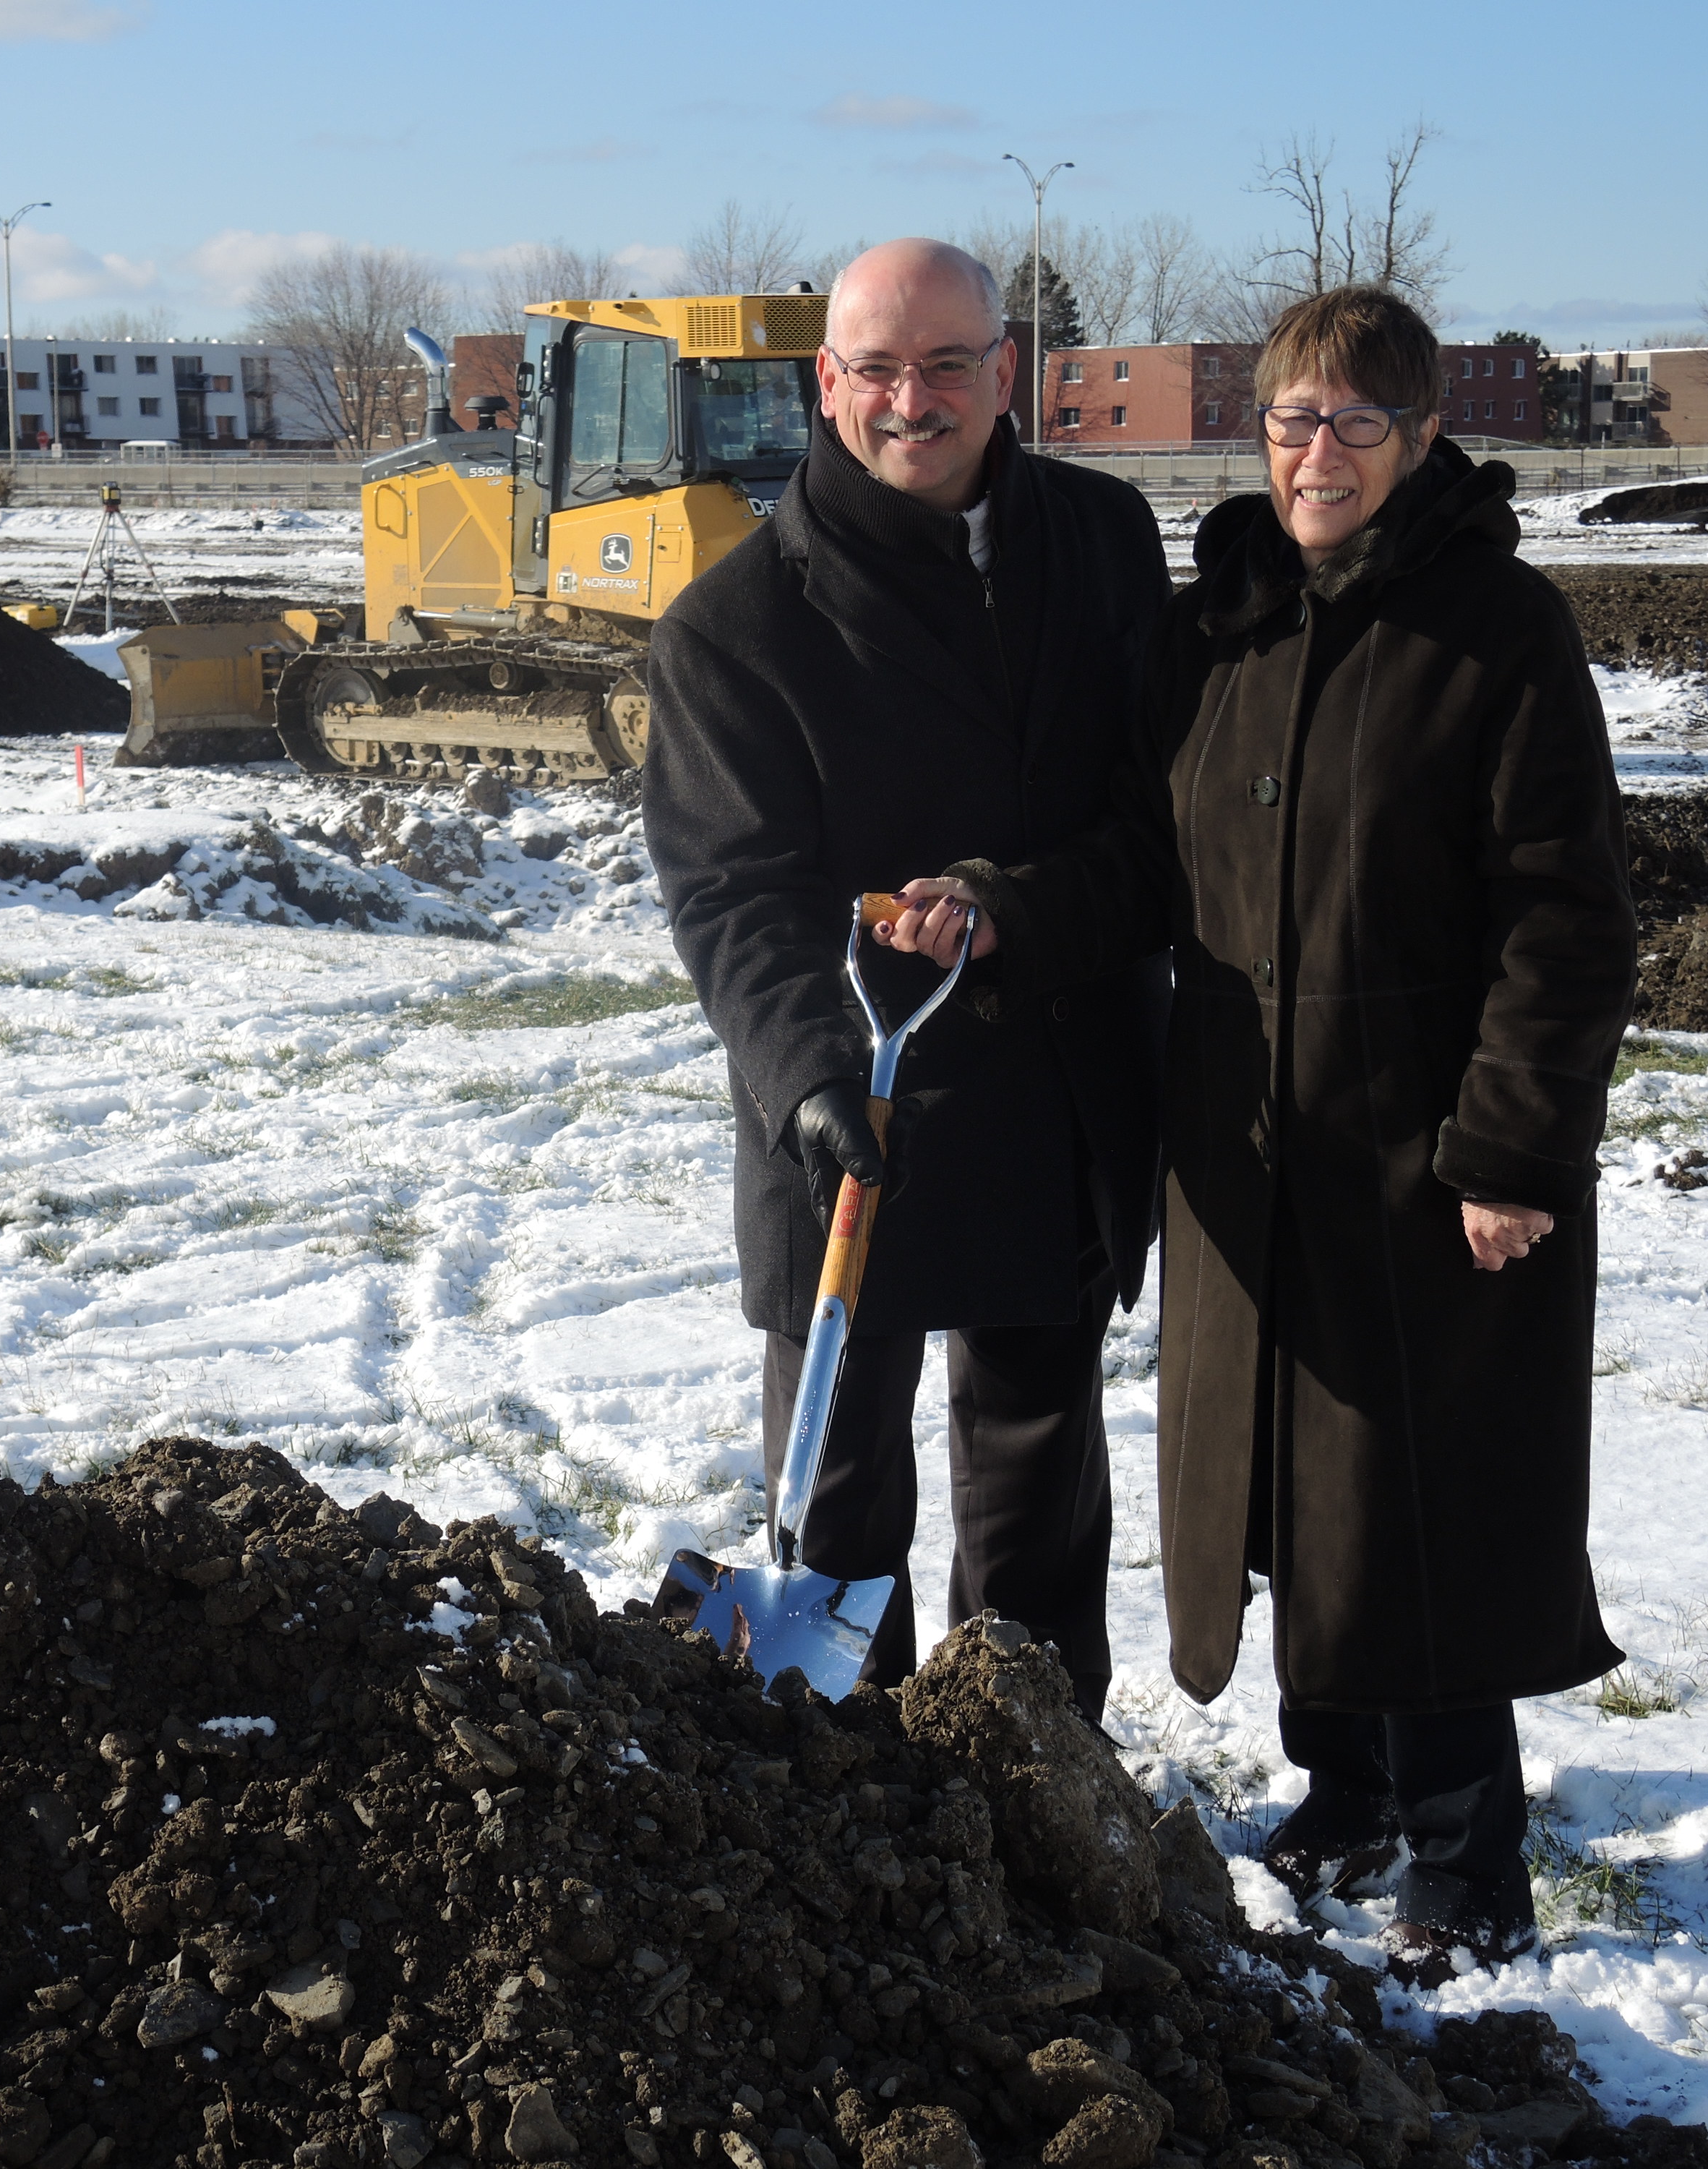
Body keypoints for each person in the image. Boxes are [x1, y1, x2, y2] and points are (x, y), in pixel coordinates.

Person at [884, 286, 1636, 1982]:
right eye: (1292, 420)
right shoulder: (1218, 629)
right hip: (1241, 1142)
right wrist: (1001, 907)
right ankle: (1345, 1788)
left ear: (1423, 439)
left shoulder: (1495, 632)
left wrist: (1512, 1149)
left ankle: (1465, 1852)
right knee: (1292, 1497)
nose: (1315, 454)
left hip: (1421, 1156)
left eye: (1355, 425)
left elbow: (1565, 921)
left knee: (1416, 1505)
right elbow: (1141, 867)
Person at [641, 237, 1174, 1719]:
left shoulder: (1102, 545)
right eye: (874, 368)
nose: (911, 399)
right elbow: (732, 893)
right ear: (825, 384)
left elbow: (1154, 822)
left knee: (1034, 1490)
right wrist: (807, 1076)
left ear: (1006, 373)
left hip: (1055, 1088)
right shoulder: (733, 631)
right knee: (836, 1500)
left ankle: (1028, 1767)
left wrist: (1013, 913)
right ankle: (829, 1790)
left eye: (947, 364)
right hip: (849, 1107)